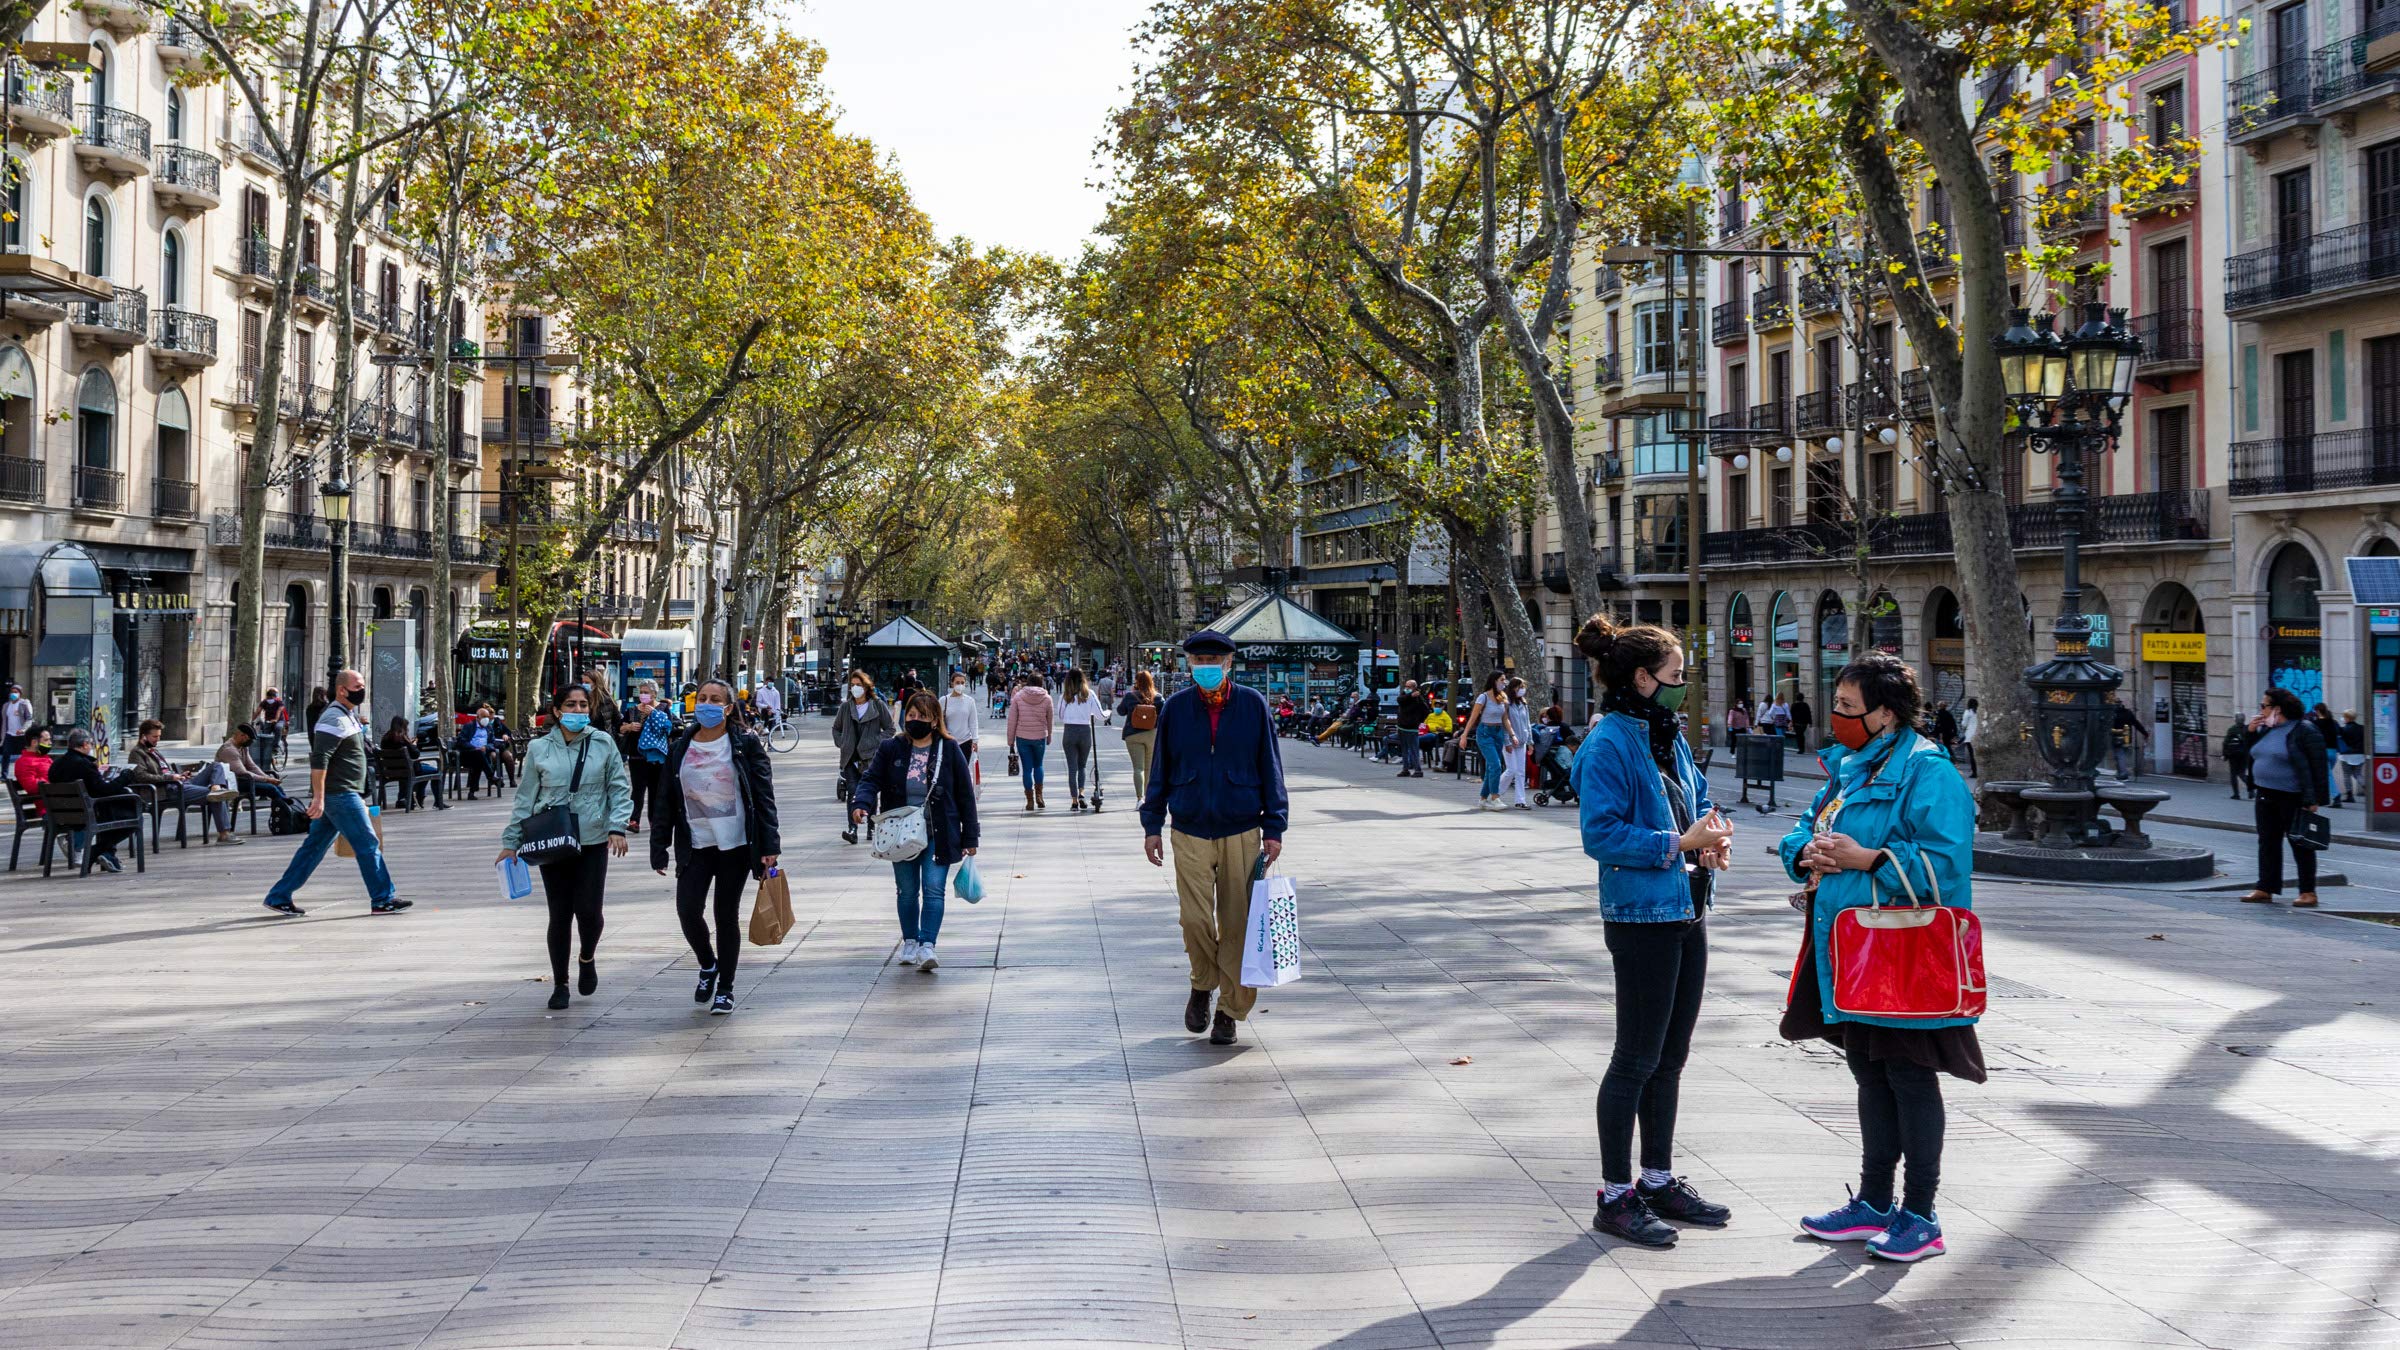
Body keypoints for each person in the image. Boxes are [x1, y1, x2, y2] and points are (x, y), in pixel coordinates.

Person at [1782, 653, 1983, 1265]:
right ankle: (1872, 1201)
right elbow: (1806, 826)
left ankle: (1920, 1215)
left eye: (1848, 709)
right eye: (1836, 706)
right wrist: (1806, 853)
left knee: (1907, 1076)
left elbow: (1947, 866)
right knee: (1869, 1071)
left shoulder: (1928, 771)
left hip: (1901, 954)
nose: (1836, 718)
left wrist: (1867, 859)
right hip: (1846, 949)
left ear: (1886, 715)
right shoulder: (1847, 768)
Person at [1571, 615, 1736, 1249]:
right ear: (1641, 679)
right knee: (1635, 1058)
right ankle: (1615, 1195)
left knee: (1671, 1056)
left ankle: (1658, 1177)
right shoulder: (1608, 743)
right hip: (1641, 914)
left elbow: (1697, 804)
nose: (1683, 687)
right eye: (1675, 677)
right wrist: (1679, 842)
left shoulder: (1669, 735)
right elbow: (1602, 835)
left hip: (1688, 907)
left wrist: (1713, 839)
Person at [1140, 628, 1289, 1047]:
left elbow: (1271, 766)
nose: (1206, 668)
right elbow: (1160, 768)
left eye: (1213, 662)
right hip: (1188, 826)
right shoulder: (1176, 708)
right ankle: (1202, 983)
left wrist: (1274, 827)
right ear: (1189, 664)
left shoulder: (1253, 705)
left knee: (1240, 926)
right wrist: (1151, 823)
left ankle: (1229, 1011)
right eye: (1198, 662)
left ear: (1228, 664)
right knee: (1194, 919)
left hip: (1242, 827)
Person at [499, 684, 632, 1010]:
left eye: (583, 705)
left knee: (589, 912)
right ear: (557, 711)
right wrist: (510, 842)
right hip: (553, 839)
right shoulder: (539, 749)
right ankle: (560, 983)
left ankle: (587, 957)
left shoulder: (603, 743)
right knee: (559, 914)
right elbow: (526, 798)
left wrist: (617, 827)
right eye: (570, 705)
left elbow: (619, 787)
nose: (577, 711)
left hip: (592, 838)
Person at [650, 678, 778, 1014]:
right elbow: (663, 797)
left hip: (734, 844)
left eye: (715, 699)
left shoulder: (745, 744)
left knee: (726, 915)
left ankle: (726, 988)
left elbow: (763, 797)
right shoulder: (680, 745)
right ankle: (708, 964)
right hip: (695, 843)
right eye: (702, 698)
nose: (706, 703)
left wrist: (770, 846)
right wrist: (659, 844)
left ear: (728, 707)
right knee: (688, 911)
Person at [263, 669, 410, 916]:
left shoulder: (346, 715)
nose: (362, 690)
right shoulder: (332, 717)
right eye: (357, 686)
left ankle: (279, 896)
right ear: (342, 690)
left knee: (314, 847)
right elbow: (320, 759)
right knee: (368, 843)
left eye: (363, 684)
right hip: (341, 794)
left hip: (341, 794)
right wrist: (319, 797)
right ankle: (382, 899)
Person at [852, 691, 981, 971]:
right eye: (911, 715)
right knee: (907, 891)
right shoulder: (891, 747)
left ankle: (927, 945)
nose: (915, 720)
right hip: (901, 834)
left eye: (922, 716)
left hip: (939, 832)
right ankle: (910, 941)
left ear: (935, 720)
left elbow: (965, 795)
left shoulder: (950, 749)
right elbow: (871, 778)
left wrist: (971, 837)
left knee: (933, 890)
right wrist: (861, 804)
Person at [2238, 688, 2330, 908]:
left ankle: (2308, 891)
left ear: (2277, 708)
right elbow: (2252, 754)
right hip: (2265, 793)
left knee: (2300, 842)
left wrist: (2314, 799)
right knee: (2267, 841)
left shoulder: (2305, 730)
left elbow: (2318, 766)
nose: (2260, 710)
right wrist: (2249, 732)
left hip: (2293, 796)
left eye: (2264, 706)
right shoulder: (2267, 730)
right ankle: (2265, 887)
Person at [127, 718, 240, 842]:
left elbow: (165, 771)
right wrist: (170, 777)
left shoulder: (154, 751)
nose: (157, 740)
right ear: (144, 736)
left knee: (216, 766)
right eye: (154, 737)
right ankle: (224, 834)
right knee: (215, 796)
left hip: (179, 783)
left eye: (159, 736)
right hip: (167, 789)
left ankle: (216, 787)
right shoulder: (137, 753)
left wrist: (180, 775)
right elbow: (141, 776)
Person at [48, 729, 139, 871]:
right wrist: (124, 777)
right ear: (84, 744)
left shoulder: (56, 765)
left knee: (114, 809)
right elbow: (104, 790)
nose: (91, 747)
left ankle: (108, 855)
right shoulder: (84, 764)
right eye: (91, 743)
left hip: (64, 814)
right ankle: (96, 852)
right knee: (133, 818)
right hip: (89, 813)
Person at [832, 672, 896, 844]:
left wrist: (876, 742)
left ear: (866, 687)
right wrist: (843, 742)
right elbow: (836, 729)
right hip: (850, 757)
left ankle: (871, 825)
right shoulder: (846, 707)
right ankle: (852, 828)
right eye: (852, 685)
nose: (855, 688)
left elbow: (890, 729)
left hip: (870, 757)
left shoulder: (877, 705)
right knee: (853, 792)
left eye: (858, 685)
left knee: (870, 792)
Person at [1456, 672, 1519, 812]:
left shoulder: (1503, 697)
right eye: (1502, 680)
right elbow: (1472, 718)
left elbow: (1505, 719)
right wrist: (1464, 736)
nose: (1504, 682)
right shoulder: (1483, 697)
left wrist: (1512, 735)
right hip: (1485, 732)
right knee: (1495, 765)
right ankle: (1495, 797)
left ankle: (1483, 799)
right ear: (1494, 681)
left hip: (1498, 733)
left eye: (1505, 679)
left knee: (1492, 767)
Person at [623, 682, 673, 833]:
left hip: (656, 757)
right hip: (636, 756)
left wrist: (654, 714)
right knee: (637, 789)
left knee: (655, 789)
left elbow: (669, 728)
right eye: (641, 692)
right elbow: (621, 727)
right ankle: (634, 820)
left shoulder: (663, 709)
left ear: (654, 694)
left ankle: (654, 820)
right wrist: (629, 727)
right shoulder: (631, 710)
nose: (643, 695)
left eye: (646, 692)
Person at [1057, 669, 1107, 812]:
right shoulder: (1089, 694)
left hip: (1069, 731)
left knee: (1072, 768)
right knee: (1082, 766)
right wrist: (1108, 713)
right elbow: (1100, 715)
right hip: (1085, 731)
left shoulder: (1064, 696)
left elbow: (1060, 715)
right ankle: (1081, 794)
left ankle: (1074, 801)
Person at [1006, 672, 1056, 813]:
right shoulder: (1047, 698)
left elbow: (1012, 720)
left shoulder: (1018, 697)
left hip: (1022, 737)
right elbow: (1050, 719)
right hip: (1040, 736)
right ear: (1042, 683)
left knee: (1027, 769)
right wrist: (1049, 735)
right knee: (1038, 765)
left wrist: (1010, 741)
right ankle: (1039, 796)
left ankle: (1029, 801)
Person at [215, 723, 291, 814]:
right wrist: (267, 780)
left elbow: (252, 766)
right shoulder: (229, 750)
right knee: (271, 788)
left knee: (276, 787)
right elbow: (242, 772)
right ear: (241, 736)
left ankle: (286, 810)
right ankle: (286, 809)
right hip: (232, 782)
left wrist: (268, 778)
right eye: (249, 739)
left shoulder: (243, 747)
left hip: (244, 780)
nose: (250, 742)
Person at [379, 716, 450, 810]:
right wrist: (413, 745)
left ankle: (418, 798)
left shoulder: (385, 739)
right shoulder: (402, 739)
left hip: (390, 771)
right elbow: (415, 754)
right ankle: (437, 801)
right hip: (409, 770)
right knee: (435, 771)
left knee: (425, 769)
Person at [1118, 669, 1163, 799]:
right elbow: (1164, 714)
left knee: (1138, 768)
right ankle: (1148, 797)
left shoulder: (1130, 696)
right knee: (1149, 767)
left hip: (1133, 734)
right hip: (1152, 734)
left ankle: (1139, 799)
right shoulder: (1158, 697)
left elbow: (1121, 711)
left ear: (1137, 681)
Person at [1491, 677, 1535, 809]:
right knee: (1512, 769)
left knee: (1521, 771)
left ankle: (1520, 800)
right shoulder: (1507, 704)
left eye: (1523, 687)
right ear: (1513, 688)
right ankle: (1494, 792)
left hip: (1521, 741)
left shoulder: (1523, 704)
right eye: (1520, 687)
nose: (1522, 690)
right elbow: (1505, 723)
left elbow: (1527, 723)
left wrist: (1530, 741)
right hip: (1509, 741)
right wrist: (1507, 741)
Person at [459, 703, 508, 800]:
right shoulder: (469, 726)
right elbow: (461, 741)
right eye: (484, 717)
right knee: (478, 755)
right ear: (477, 717)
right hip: (468, 754)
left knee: (478, 760)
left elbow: (492, 742)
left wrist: (486, 747)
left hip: (482, 755)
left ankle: (472, 792)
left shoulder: (489, 728)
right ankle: (491, 776)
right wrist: (473, 747)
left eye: (487, 717)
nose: (486, 719)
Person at [941, 672, 981, 787]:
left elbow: (973, 722)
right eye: (957, 682)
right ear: (952, 683)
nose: (960, 685)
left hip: (965, 742)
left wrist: (975, 740)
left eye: (962, 683)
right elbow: (937, 720)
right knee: (948, 770)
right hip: (948, 741)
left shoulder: (969, 701)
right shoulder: (944, 700)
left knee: (962, 771)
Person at [1394, 680, 1431, 777]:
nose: (1407, 688)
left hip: (1412, 728)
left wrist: (1418, 721)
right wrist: (1410, 696)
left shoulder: (1419, 699)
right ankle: (1405, 769)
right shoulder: (1405, 696)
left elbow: (1426, 710)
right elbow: (1400, 700)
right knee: (1404, 749)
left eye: (1409, 686)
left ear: (1414, 687)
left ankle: (1418, 770)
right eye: (1406, 686)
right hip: (1402, 726)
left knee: (1414, 749)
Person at [2107, 693, 2147, 780]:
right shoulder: (2128, 713)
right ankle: (2120, 772)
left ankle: (2123, 774)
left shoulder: (2112, 713)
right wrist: (2145, 733)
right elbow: (2136, 723)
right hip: (2127, 738)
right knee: (2120, 755)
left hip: (2115, 737)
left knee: (2119, 755)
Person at [1, 682, 34, 775]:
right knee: (6, 754)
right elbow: (4, 720)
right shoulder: (6, 705)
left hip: (22, 735)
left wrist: (23, 729)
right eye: (12, 692)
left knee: (25, 755)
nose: (13, 694)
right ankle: (4, 775)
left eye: (16, 692)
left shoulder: (24, 704)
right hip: (9, 733)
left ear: (20, 693)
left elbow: (29, 719)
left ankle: (26, 773)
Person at [13, 729, 53, 804]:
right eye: (46, 740)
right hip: (49, 807)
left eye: (49, 740)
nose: (50, 743)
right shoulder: (23, 762)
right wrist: (53, 780)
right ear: (34, 742)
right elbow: (32, 788)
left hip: (62, 802)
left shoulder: (46, 758)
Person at [2337, 709, 2368, 805]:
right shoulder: (2362, 728)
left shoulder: (2343, 729)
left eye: (2344, 717)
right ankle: (2367, 787)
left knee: (2347, 775)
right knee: (2357, 773)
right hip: (2360, 754)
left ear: (2347, 718)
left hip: (2346, 755)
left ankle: (2349, 795)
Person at [2222, 718, 2254, 799]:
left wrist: (2224, 754)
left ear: (2235, 720)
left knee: (2233, 774)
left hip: (2233, 755)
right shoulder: (2248, 728)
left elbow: (2225, 742)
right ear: (2244, 720)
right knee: (2241, 773)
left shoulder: (2232, 729)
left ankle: (2236, 794)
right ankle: (2251, 790)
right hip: (2245, 754)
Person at [1955, 698, 1978, 777]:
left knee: (1972, 755)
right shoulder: (1978, 712)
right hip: (1978, 735)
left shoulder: (1968, 712)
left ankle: (1974, 772)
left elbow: (1964, 724)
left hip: (1970, 736)